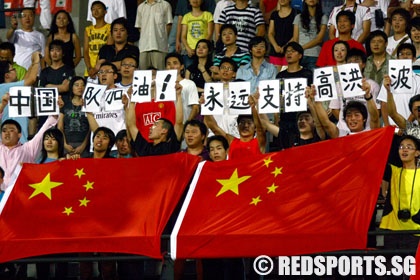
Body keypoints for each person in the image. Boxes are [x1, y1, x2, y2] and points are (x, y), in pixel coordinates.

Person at [380, 135, 420, 279]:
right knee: (391, 274)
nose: (404, 150)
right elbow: (380, 157)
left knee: (412, 275)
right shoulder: (393, 171)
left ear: (417, 153)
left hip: (415, 233)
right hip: (392, 231)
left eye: (409, 147)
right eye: (401, 147)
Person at [0, 94, 59, 191]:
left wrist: (55, 107)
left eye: (11, 130)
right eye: (4, 130)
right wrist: (2, 105)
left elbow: (47, 126)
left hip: (21, 195)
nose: (7, 133)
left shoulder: (28, 149)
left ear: (19, 134)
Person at [125, 80, 184, 156]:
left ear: (164, 130)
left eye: (155, 125)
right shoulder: (144, 147)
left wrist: (178, 95)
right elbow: (131, 125)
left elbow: (179, 123)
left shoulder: (171, 146)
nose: (150, 127)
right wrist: (132, 99)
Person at [330, 48, 381, 133]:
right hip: (343, 132)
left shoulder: (372, 85)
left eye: (357, 60)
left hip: (366, 131)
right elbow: (334, 108)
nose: (353, 63)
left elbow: (378, 110)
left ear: (363, 64)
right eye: (350, 61)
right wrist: (345, 123)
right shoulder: (339, 85)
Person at [309, 80, 380, 138]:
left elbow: (375, 118)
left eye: (357, 115)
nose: (352, 118)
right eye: (349, 115)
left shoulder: (371, 132)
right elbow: (326, 123)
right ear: (345, 119)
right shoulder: (341, 135)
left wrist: (368, 96)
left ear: (364, 119)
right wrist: (317, 100)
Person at [275, 42, 314, 149]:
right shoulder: (280, 75)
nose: (289, 54)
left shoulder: (307, 74)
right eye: (287, 52)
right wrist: (276, 116)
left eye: (292, 51)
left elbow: (313, 96)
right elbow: (277, 97)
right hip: (285, 118)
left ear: (300, 55)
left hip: (302, 118)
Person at [204, 95, 266, 160]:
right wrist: (205, 105)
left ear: (255, 128)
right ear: (237, 127)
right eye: (242, 122)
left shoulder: (258, 142)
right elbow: (214, 127)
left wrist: (253, 108)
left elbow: (260, 129)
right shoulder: (232, 141)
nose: (245, 126)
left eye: (249, 123)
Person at [0, 51, 42, 143]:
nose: (15, 70)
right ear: (7, 75)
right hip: (16, 140)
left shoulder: (5, 87)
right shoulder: (6, 87)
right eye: (13, 69)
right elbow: (31, 80)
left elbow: (26, 80)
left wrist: (31, 64)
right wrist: (36, 61)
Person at [87, 62, 126, 155]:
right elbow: (91, 119)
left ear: (115, 76)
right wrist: (101, 139)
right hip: (98, 148)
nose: (103, 74)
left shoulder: (123, 93)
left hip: (118, 146)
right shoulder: (92, 94)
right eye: (100, 72)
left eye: (107, 71)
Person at [58, 76, 90, 158]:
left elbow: (90, 128)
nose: (80, 87)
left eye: (83, 85)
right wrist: (64, 144)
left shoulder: (89, 105)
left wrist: (83, 146)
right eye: (77, 85)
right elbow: (60, 127)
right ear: (71, 88)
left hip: (84, 145)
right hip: (67, 144)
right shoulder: (65, 105)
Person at [135, 0, 173, 70]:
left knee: (160, 75)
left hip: (159, 47)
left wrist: (162, 39)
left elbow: (168, 25)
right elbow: (139, 26)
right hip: (144, 47)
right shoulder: (141, 7)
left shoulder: (165, 5)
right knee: (143, 75)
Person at [292, 0, 328, 71]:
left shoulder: (323, 17)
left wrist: (301, 48)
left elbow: (319, 39)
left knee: (312, 81)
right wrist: (297, 51)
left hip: (314, 55)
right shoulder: (298, 17)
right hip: (300, 56)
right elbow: (295, 38)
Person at [166, 53, 199, 124]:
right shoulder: (162, 85)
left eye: (175, 63)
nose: (171, 66)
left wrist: (187, 125)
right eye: (168, 64)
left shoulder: (189, 84)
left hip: (184, 124)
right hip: (166, 126)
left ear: (181, 66)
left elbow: (195, 107)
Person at [84, 0, 113, 80]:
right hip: (89, 71)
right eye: (93, 9)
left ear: (105, 11)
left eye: (98, 8)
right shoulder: (88, 29)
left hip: (103, 69)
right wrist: (89, 68)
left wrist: (97, 69)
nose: (96, 11)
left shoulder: (110, 28)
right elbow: (86, 51)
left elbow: (108, 49)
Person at [181, 0, 214, 68]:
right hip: (190, 51)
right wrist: (188, 49)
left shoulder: (208, 15)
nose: (195, 0)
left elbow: (210, 33)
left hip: (204, 50)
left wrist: (202, 47)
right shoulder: (186, 17)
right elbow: (183, 36)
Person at [267, 0, 298, 68]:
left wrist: (286, 47)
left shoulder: (296, 13)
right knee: (275, 76)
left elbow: (296, 34)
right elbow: (270, 33)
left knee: (287, 77)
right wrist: (275, 46)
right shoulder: (274, 14)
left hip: (291, 51)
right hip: (275, 51)